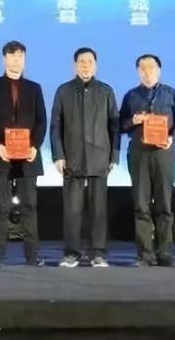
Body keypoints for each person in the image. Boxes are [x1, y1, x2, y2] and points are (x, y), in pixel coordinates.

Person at [0, 41, 47, 268]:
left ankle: (32, 256)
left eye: (20, 56)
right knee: (0, 208)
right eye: (11, 56)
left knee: (30, 206)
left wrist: (35, 146)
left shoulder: (34, 88)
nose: (16, 60)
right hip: (1, 154)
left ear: (24, 60)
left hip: (28, 156)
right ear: (4, 59)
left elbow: (41, 121)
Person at [50, 47, 119, 268]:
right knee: (72, 210)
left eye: (90, 61)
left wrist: (114, 155)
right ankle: (72, 253)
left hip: (100, 157)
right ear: (75, 65)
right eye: (81, 61)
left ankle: (98, 253)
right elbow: (56, 126)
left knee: (99, 210)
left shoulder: (105, 91)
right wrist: (58, 155)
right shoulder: (64, 91)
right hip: (72, 158)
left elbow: (114, 125)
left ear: (95, 65)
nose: (86, 65)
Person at [119, 54, 175, 267]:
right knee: (141, 205)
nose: (147, 72)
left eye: (151, 68)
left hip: (163, 153)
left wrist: (172, 137)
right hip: (139, 153)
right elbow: (119, 125)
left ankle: (164, 252)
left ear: (159, 70)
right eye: (143, 68)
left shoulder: (170, 93)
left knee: (164, 204)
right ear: (137, 71)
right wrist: (133, 120)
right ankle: (144, 254)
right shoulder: (130, 96)